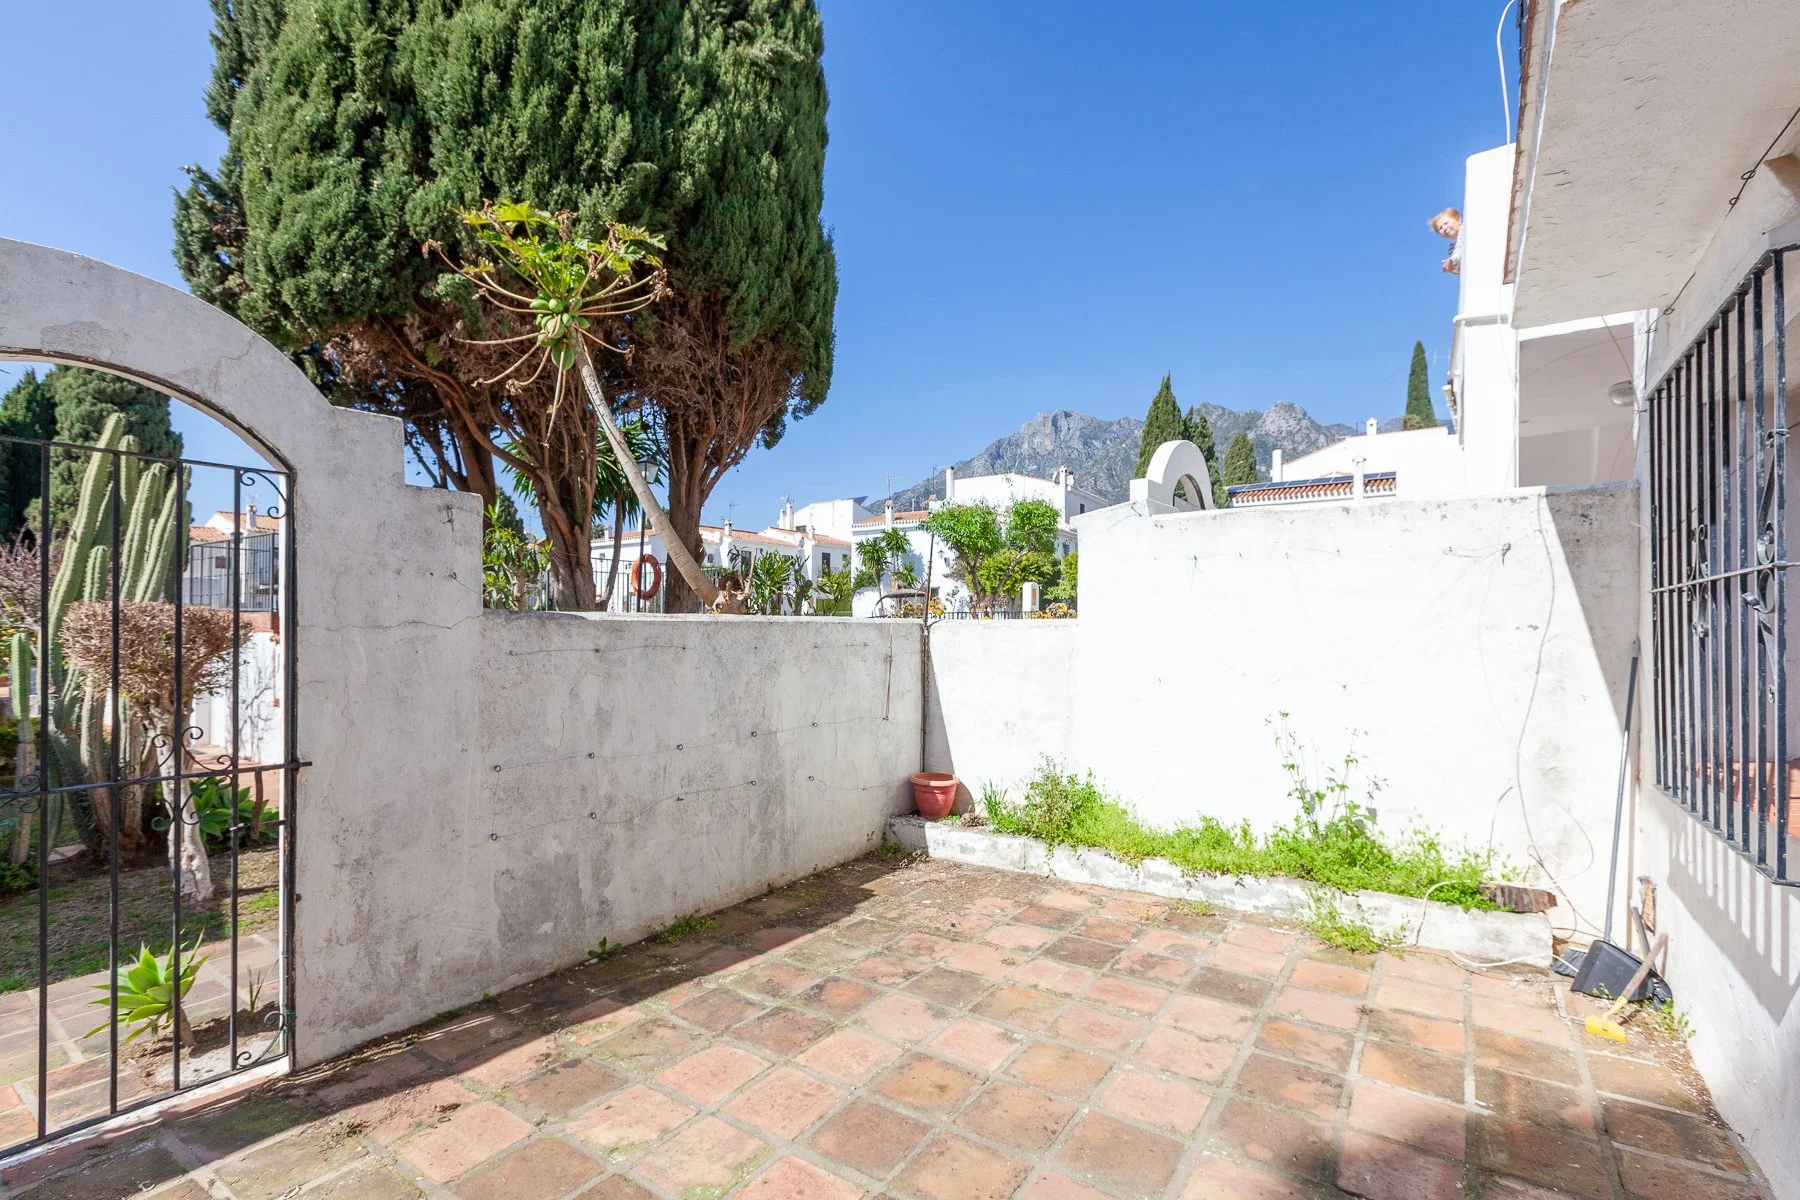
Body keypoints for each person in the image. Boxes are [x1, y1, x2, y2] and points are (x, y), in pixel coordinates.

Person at [1430, 207, 1463, 274]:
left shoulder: (1465, 229)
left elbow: (1462, 248)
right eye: (1440, 228)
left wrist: (1452, 261)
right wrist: (1452, 268)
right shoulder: (1452, 248)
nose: (1444, 228)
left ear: (1458, 219)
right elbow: (1460, 269)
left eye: (1446, 223)